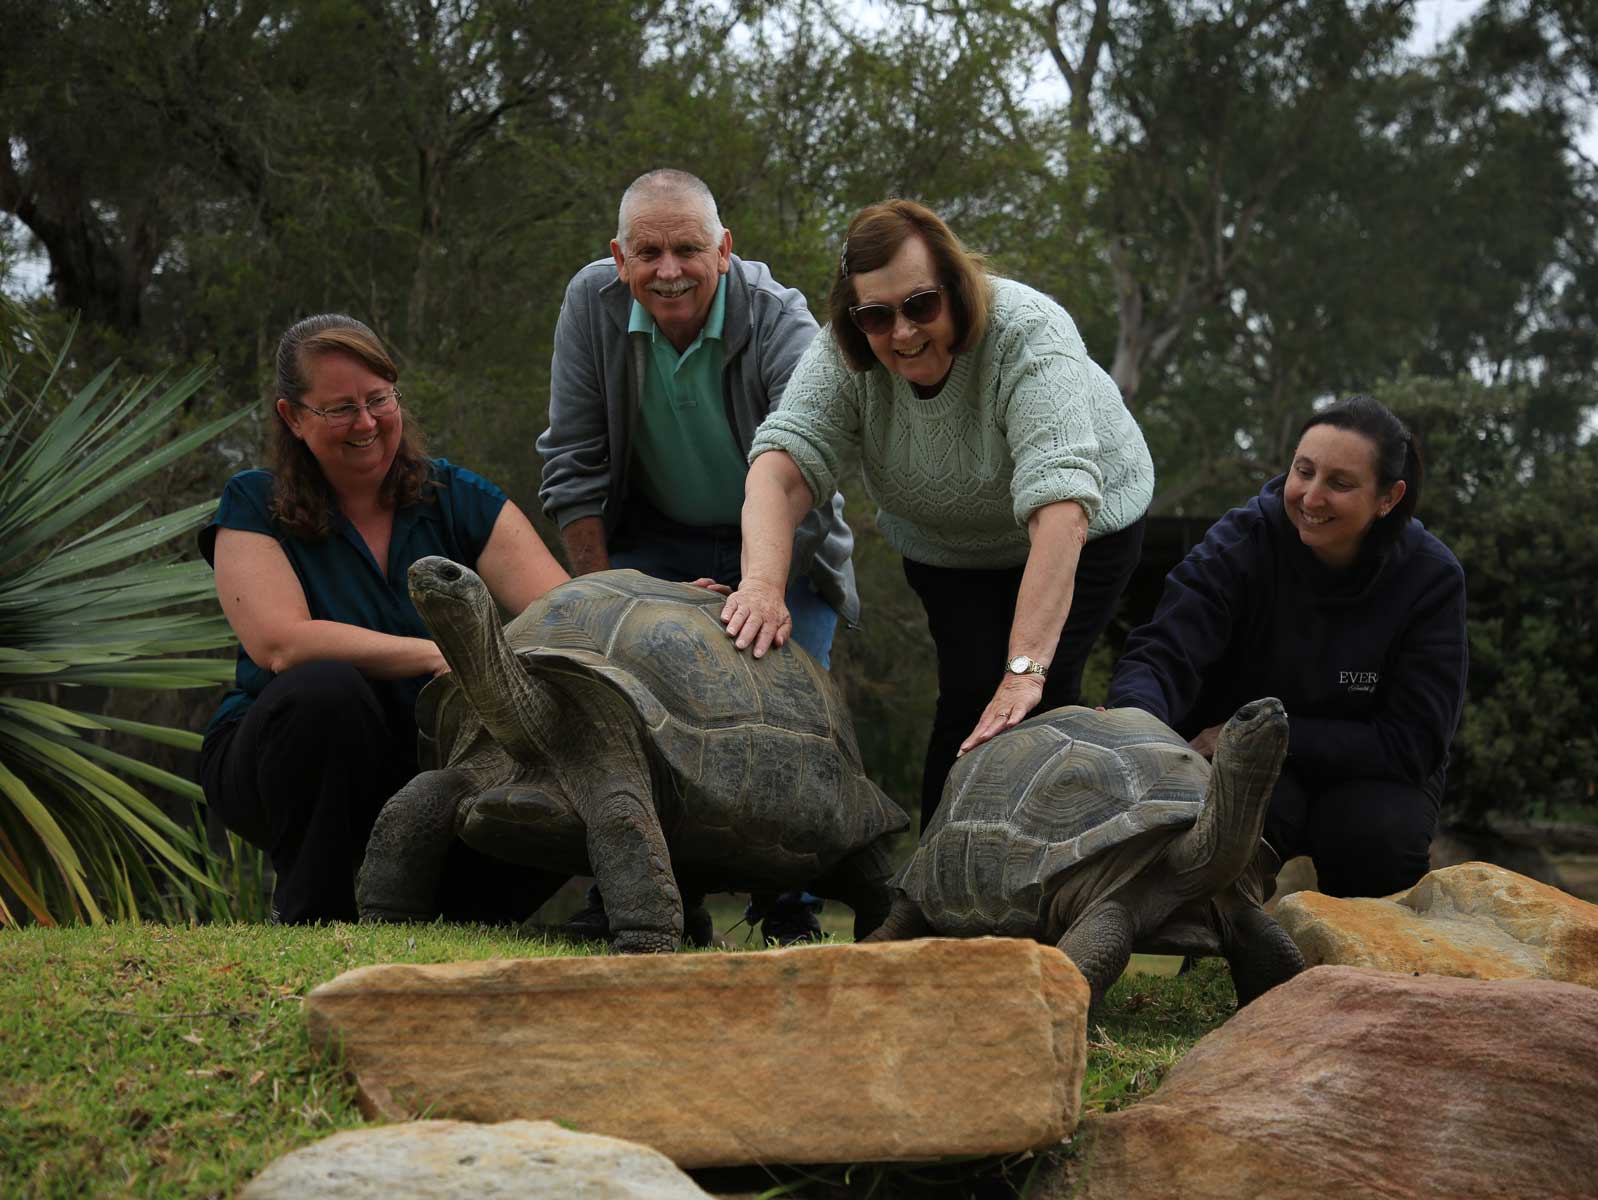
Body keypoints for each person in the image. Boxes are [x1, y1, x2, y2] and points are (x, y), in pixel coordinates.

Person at [726, 198, 1155, 828]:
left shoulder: (1030, 333)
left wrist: (1025, 670)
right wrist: (761, 586)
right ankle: (936, 894)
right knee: (966, 701)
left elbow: (1062, 510)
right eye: (876, 315)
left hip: (1084, 526)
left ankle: (1063, 884)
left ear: (956, 289)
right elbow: (781, 468)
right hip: (948, 546)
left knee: (1037, 699)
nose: (901, 332)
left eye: (920, 306)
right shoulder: (844, 355)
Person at [536, 168, 857, 942]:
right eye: (649, 252)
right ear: (619, 257)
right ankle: (634, 896)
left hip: (784, 540)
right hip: (652, 537)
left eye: (688, 248)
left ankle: (792, 908)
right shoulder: (591, 304)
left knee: (787, 718)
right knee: (620, 710)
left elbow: (804, 460)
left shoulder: (784, 322)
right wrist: (608, 592)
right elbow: (573, 462)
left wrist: (757, 581)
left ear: (724, 250)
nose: (669, 269)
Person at [198, 314, 570, 924]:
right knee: (325, 689)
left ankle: (452, 920)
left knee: (561, 727)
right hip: (285, 758)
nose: (367, 423)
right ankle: (315, 917)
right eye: (339, 409)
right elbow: (280, 644)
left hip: (426, 765)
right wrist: (436, 656)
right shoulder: (252, 502)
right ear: (292, 417)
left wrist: (653, 600)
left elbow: (563, 616)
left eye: (379, 400)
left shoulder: (458, 497)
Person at [1105, 395, 1468, 899]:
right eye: (1304, 472)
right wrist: (1132, 730)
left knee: (1376, 838)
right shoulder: (1239, 543)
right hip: (1244, 763)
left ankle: (1364, 974)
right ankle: (1213, 962)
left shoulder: (1432, 578)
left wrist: (1256, 734)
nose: (1312, 497)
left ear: (1389, 497)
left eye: (1339, 484)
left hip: (1373, 769)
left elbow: (1413, 743)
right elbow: (1164, 652)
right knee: (1236, 831)